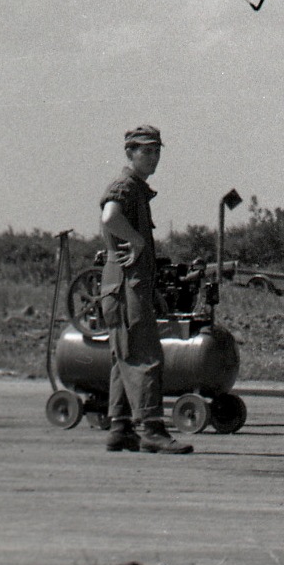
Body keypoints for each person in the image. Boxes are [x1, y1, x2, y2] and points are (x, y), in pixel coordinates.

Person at [98, 124, 191, 455]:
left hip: (127, 284)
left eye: (156, 151)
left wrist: (152, 292)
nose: (153, 157)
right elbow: (110, 217)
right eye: (145, 151)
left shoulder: (137, 188)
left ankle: (120, 427)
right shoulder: (125, 186)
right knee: (146, 356)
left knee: (123, 356)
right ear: (129, 153)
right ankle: (152, 428)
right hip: (126, 285)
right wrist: (135, 239)